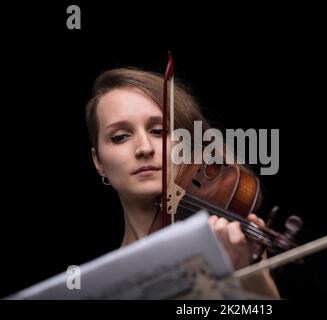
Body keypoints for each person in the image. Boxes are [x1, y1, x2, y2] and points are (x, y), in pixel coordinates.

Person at [85, 67, 280, 298]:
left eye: (159, 131)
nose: (144, 148)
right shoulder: (101, 284)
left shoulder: (226, 240)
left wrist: (252, 278)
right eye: (120, 137)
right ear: (99, 162)